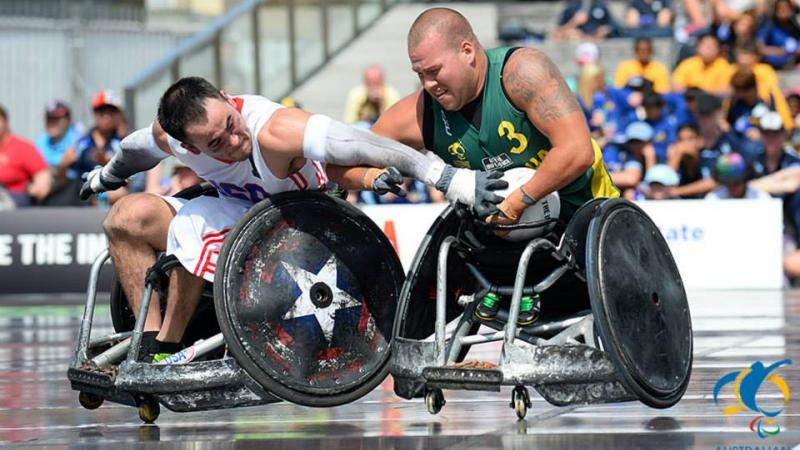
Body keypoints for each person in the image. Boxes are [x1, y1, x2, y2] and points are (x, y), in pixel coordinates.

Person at [80, 76, 505, 362]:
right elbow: (136, 148)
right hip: (235, 213)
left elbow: (360, 143)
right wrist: (107, 176)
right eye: (216, 142)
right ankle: (148, 346)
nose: (234, 140)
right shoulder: (173, 137)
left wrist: (447, 177)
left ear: (230, 99)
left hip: (298, 229)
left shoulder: (274, 130)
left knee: (196, 223)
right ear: (188, 144)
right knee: (125, 217)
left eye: (230, 123)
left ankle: (168, 345)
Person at [370, 8, 620, 325]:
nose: (429, 84)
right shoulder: (420, 113)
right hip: (499, 234)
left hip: (581, 211)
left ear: (467, 51)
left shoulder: (522, 72)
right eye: (420, 74)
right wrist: (369, 176)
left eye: (434, 71)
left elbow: (578, 150)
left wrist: (517, 203)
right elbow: (346, 155)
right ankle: (491, 288)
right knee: (467, 221)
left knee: (515, 196)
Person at [0, 105, 51, 207]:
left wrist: (36, 188)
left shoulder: (23, 147)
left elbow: (43, 180)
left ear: (6, 123)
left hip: (14, 199)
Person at [705, 152, 770, 199]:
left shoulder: (760, 198)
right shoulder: (714, 199)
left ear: (744, 180)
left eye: (736, 184)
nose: (732, 188)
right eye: (728, 184)